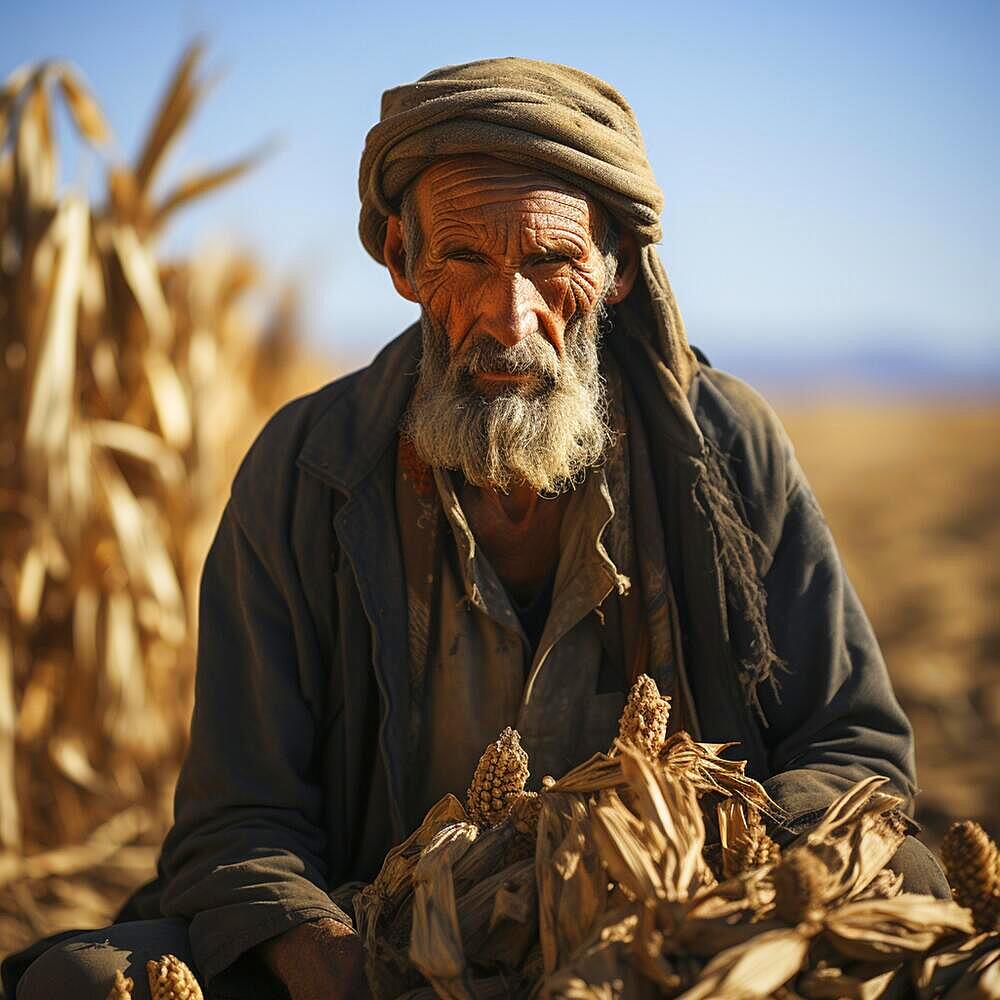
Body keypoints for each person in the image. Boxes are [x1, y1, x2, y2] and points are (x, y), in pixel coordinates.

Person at [4, 58, 948, 1000]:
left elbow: (854, 750)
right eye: (464, 260)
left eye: (551, 262)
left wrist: (707, 907)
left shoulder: (722, 450)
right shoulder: (307, 470)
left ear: (614, 268)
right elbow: (238, 823)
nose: (510, 317)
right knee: (78, 984)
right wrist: (344, 969)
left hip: (671, 933)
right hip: (378, 940)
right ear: (402, 264)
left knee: (913, 887)